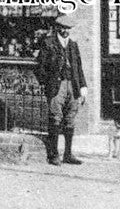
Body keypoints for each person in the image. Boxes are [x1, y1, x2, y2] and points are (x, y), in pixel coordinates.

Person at [34, 14, 87, 165]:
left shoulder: (73, 45)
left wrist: (83, 87)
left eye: (68, 28)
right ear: (57, 28)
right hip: (57, 86)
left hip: (73, 85)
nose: (65, 31)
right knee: (55, 118)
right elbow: (40, 67)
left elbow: (78, 67)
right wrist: (48, 83)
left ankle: (68, 154)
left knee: (70, 118)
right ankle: (53, 154)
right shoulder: (48, 43)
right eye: (63, 28)